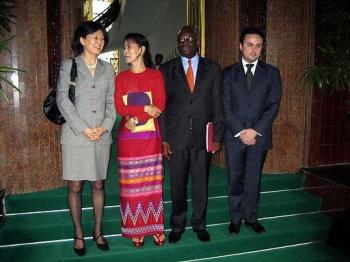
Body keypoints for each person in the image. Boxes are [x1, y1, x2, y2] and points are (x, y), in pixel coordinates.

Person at [56, 21, 116, 256]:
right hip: (75, 136)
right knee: (75, 185)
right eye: (95, 38)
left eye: (102, 39)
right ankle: (78, 232)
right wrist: (83, 128)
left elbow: (111, 103)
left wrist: (104, 127)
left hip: (101, 136)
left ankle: (98, 231)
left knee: (98, 184)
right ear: (82, 40)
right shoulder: (68, 66)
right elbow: (63, 100)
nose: (99, 42)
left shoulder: (108, 69)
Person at [159, 26, 223, 243]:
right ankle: (177, 225)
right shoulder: (166, 69)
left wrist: (217, 137)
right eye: (181, 39)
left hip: (202, 138)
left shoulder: (213, 69)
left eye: (189, 38)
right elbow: (163, 107)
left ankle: (200, 223)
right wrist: (164, 138)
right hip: (176, 138)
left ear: (197, 41)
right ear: (177, 43)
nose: (185, 41)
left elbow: (217, 104)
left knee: (200, 183)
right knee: (177, 184)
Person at [223, 27, 282, 235]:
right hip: (234, 136)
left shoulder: (272, 73)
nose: (254, 49)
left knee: (253, 178)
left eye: (258, 45)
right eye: (249, 45)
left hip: (259, 137)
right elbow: (225, 106)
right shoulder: (228, 74)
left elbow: (273, 105)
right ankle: (235, 219)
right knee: (235, 178)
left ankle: (251, 217)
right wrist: (241, 131)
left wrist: (255, 131)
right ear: (241, 46)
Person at [115, 33, 166, 248]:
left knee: (152, 184)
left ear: (142, 50)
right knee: (132, 186)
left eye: (129, 47)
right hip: (128, 141)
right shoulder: (121, 78)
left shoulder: (155, 76)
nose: (125, 51)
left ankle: (155, 227)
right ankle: (136, 229)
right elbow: (120, 108)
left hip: (150, 138)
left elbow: (160, 106)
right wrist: (145, 108)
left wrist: (136, 117)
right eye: (125, 47)